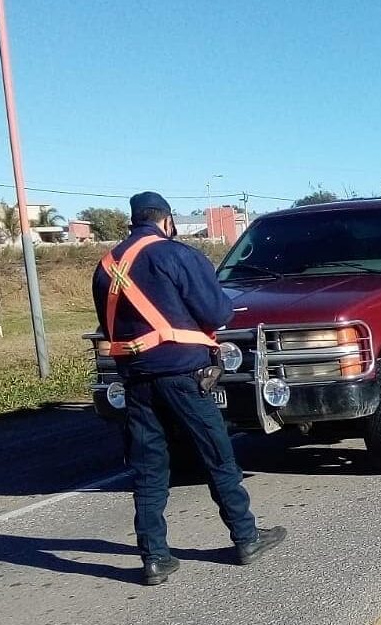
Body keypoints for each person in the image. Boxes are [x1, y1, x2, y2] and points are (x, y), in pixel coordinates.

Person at [92, 191, 286, 585]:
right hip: (184, 375)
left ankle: (154, 558)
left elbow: (110, 325)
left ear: (133, 221)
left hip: (136, 380)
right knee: (217, 456)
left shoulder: (106, 266)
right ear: (167, 221)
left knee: (149, 469)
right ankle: (246, 537)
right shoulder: (177, 255)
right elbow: (217, 312)